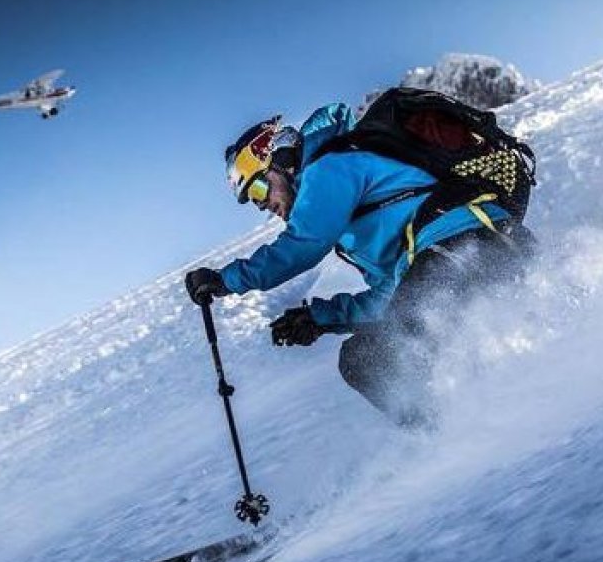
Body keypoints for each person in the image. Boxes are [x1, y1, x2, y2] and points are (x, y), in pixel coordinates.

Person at [185, 101, 533, 429]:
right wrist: (322, 318)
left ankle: (453, 438)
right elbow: (393, 295)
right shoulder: (354, 219)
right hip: (466, 253)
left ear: (281, 161)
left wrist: (225, 280)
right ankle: (457, 433)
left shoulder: (329, 165)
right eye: (254, 202)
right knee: (362, 360)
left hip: (467, 241)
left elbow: (303, 244)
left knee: (378, 355)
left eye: (260, 189)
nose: (264, 206)